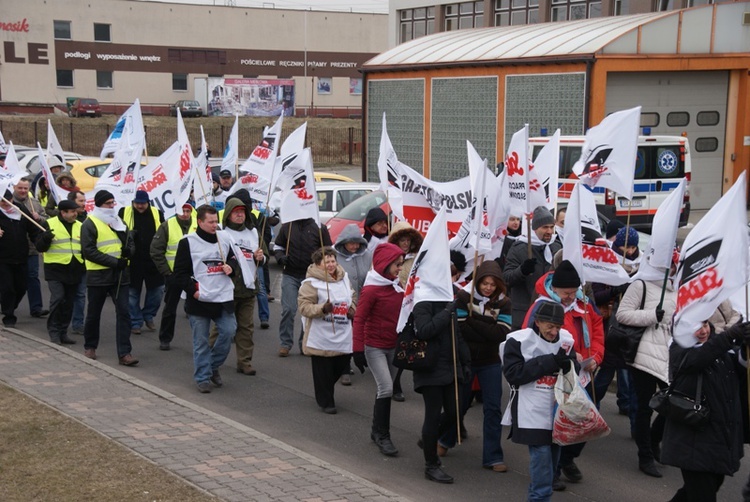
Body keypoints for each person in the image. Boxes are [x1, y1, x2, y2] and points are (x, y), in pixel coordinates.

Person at [522, 259, 604, 489]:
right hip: (554, 376)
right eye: (566, 292)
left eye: (573, 291)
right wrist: (570, 356)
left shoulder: (584, 303)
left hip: (584, 374)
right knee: (559, 425)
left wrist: (596, 357)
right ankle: (551, 474)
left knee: (586, 422)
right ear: (554, 288)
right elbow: (530, 340)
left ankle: (565, 461)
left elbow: (597, 329)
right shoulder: (542, 305)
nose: (570, 296)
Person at [661, 320, 750, 502]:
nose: (702, 331)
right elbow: (697, 359)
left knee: (696, 492)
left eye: (705, 325)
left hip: (717, 440)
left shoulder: (720, 346)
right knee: (702, 495)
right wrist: (729, 336)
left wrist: (745, 345)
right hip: (693, 439)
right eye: (695, 327)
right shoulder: (679, 349)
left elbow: (739, 369)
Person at [439, 260, 512, 472]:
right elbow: (460, 330)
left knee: (492, 409)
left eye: (492, 284)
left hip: (490, 362)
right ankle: (445, 439)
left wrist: (473, 321)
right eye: (484, 283)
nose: (488, 288)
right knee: (458, 404)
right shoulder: (463, 297)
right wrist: (485, 326)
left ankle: (492, 456)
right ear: (477, 282)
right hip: (466, 360)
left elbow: (501, 333)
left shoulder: (504, 303)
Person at [502, 300, 577, 502]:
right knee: (541, 460)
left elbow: (573, 375)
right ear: (537, 322)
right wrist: (549, 361)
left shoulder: (566, 341)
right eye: (549, 326)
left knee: (551, 466)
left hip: (556, 411)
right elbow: (514, 374)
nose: (554, 332)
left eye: (558, 327)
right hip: (530, 410)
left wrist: (570, 365)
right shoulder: (518, 341)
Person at [615, 267, 677, 478]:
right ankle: (645, 456)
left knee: (674, 403)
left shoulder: (678, 289)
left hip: (668, 356)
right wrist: (651, 315)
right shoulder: (640, 284)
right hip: (642, 355)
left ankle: (653, 439)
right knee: (644, 408)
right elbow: (622, 314)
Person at [172, 204, 238, 393]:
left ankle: (211, 366)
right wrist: (194, 291)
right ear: (200, 222)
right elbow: (179, 273)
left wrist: (231, 267)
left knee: (228, 331)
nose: (214, 225)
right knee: (200, 342)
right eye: (210, 222)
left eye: (216, 221)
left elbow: (234, 259)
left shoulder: (224, 238)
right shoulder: (188, 242)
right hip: (200, 299)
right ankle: (202, 378)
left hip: (223, 297)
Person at [352, 242, 404, 456]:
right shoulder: (371, 290)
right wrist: (357, 350)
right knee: (386, 388)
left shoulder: (398, 286)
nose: (400, 268)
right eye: (397, 265)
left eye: (401, 264)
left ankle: (376, 430)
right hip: (375, 347)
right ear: (385, 264)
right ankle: (383, 435)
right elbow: (359, 319)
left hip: (394, 346)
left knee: (386, 388)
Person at [412, 295, 471, 484]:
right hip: (429, 366)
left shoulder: (448, 302)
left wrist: (466, 360)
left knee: (456, 411)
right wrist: (446, 312)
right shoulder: (422, 303)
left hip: (451, 366)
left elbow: (457, 336)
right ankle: (431, 465)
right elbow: (424, 330)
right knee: (433, 414)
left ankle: (429, 438)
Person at [81, 190, 138, 366]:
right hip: (99, 275)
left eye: (113, 203)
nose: (112, 206)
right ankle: (90, 346)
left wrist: (130, 251)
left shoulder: (118, 222)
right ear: (99, 204)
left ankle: (124, 353)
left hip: (121, 276)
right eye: (108, 203)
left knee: (124, 313)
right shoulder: (90, 224)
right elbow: (89, 251)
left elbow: (129, 242)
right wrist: (115, 262)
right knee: (93, 313)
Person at [298, 247, 356, 414]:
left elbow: (352, 295)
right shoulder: (310, 284)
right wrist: (323, 308)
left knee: (342, 362)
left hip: (342, 331)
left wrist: (352, 308)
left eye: (333, 261)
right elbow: (304, 307)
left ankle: (325, 389)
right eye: (327, 262)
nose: (331, 265)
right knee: (323, 370)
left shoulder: (344, 278)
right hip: (321, 334)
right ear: (318, 264)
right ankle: (326, 401)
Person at [212, 198, 266, 376]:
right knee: (221, 327)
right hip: (227, 288)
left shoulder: (253, 233)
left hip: (248, 288)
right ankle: (209, 358)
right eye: (236, 212)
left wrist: (261, 257)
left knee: (246, 327)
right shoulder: (221, 234)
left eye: (242, 212)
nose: (239, 215)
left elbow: (264, 257)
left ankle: (244, 362)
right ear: (228, 214)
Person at [274, 217, 331, 357]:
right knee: (288, 309)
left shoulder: (319, 228)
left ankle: (304, 343)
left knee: (308, 312)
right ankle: (285, 343)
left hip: (311, 277)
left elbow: (329, 251)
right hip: (290, 274)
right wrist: (280, 257)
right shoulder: (287, 226)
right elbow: (277, 246)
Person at [34, 199, 85, 345]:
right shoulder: (48, 224)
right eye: (73, 211)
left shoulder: (80, 226)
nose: (76, 214)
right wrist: (45, 238)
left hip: (74, 269)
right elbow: (39, 247)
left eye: (76, 211)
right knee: (58, 298)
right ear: (63, 213)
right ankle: (54, 332)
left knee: (68, 302)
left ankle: (63, 332)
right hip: (55, 268)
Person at [503, 206, 562, 329]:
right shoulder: (519, 248)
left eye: (551, 227)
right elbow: (506, 279)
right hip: (524, 311)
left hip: (550, 313)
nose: (550, 231)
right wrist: (522, 271)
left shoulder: (556, 248)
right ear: (534, 229)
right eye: (545, 227)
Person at [150, 202, 197, 350]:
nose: (185, 214)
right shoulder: (167, 225)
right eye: (182, 210)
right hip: (174, 275)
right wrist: (167, 272)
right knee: (170, 309)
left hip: (195, 275)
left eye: (188, 211)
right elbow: (156, 251)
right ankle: (165, 338)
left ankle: (200, 341)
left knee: (198, 310)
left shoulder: (198, 223)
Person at [120, 190, 165, 335]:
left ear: (148, 202)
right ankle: (135, 321)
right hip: (133, 261)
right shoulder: (124, 212)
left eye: (143, 203)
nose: (140, 206)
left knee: (157, 292)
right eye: (137, 203)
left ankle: (148, 315)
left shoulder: (157, 212)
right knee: (132, 294)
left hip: (153, 260)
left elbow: (163, 232)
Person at [334, 223, 373, 386]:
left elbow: (371, 274)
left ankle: (362, 359)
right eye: (351, 242)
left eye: (357, 242)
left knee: (360, 334)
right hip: (344, 301)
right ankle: (344, 368)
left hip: (363, 300)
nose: (354, 246)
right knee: (346, 334)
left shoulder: (367, 255)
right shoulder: (335, 257)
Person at [0, 189, 43, 328]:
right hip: (3, 258)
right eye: (3, 202)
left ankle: (9, 305)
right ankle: (9, 315)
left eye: (9, 201)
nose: (7, 205)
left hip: (22, 256)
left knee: (21, 287)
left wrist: (39, 242)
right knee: (7, 287)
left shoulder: (21, 211)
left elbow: (33, 230)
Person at [13, 177, 49, 318]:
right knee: (15, 279)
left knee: (32, 277)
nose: (23, 191)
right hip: (13, 248)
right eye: (20, 188)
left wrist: (39, 218)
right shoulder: (8, 203)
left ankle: (36, 307)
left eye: (25, 188)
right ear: (14, 188)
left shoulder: (34, 203)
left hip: (32, 247)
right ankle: (9, 304)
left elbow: (46, 219)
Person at [68, 190, 88, 335]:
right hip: (64, 266)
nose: (84, 204)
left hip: (82, 264)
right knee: (63, 297)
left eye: (84, 201)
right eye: (80, 201)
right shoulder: (61, 220)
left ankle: (78, 324)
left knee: (80, 295)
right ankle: (60, 324)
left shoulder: (88, 218)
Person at [387, 221, 423, 285]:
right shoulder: (386, 257)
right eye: (402, 240)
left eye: (408, 240)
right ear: (396, 241)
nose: (406, 243)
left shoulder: (417, 259)